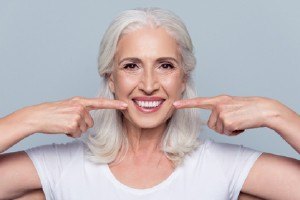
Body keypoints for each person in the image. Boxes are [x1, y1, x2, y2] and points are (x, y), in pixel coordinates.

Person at [0, 7, 299, 200]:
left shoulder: (221, 166)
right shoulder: (62, 167)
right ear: (110, 78)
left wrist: (273, 113)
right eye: (131, 66)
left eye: (165, 66)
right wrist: (30, 119)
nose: (148, 84)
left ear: (183, 79)